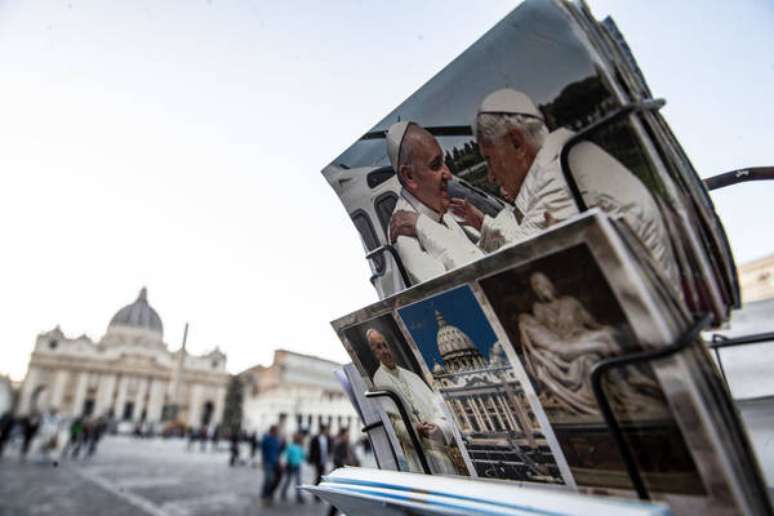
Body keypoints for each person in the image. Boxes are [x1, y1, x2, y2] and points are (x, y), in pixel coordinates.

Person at [391, 89, 678, 285]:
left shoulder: (559, 178)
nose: (490, 176)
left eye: (490, 160)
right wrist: (484, 224)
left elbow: (506, 272)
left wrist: (421, 226)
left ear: (516, 143)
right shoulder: (565, 156)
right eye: (435, 164)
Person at [518, 272, 660, 416]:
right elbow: (548, 339)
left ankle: (633, 375)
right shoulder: (538, 310)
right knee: (601, 345)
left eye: (544, 282)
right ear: (534, 290)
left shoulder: (570, 302)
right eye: (537, 285)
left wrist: (602, 328)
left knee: (607, 334)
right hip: (566, 342)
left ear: (551, 284)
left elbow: (591, 322)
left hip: (579, 336)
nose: (542, 287)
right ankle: (628, 385)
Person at [385, 121, 484, 284]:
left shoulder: (435, 207)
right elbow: (474, 279)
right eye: (436, 165)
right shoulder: (405, 238)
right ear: (409, 176)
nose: (449, 174)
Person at [367, 328, 457, 475]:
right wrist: (416, 429)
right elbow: (394, 423)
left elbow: (439, 408)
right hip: (418, 457)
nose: (384, 351)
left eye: (385, 345)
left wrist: (439, 427)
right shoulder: (378, 380)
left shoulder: (413, 376)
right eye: (378, 347)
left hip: (442, 452)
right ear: (374, 353)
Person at [326, 428, 359, 516]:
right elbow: (336, 460)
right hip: (342, 476)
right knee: (337, 499)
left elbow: (355, 458)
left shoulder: (350, 446)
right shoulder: (338, 445)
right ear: (342, 436)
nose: (347, 437)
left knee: (346, 499)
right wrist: (344, 463)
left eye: (348, 435)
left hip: (350, 475)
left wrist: (357, 464)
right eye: (346, 435)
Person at [279, 432, 306, 503]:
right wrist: (284, 463)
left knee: (298, 481)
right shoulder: (290, 446)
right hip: (290, 466)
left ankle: (299, 496)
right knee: (288, 480)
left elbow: (303, 456)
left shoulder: (300, 447)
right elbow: (285, 455)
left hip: (297, 466)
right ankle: (283, 493)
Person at [260, 425, 281, 505]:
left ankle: (268, 494)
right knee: (268, 479)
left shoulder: (276, 440)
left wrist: (278, 461)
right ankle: (265, 494)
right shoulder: (266, 439)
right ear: (272, 431)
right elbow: (263, 450)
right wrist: (263, 461)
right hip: (267, 462)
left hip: (275, 462)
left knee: (272, 479)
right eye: (276, 431)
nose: (277, 432)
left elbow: (278, 452)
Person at [308, 425, 331, 496]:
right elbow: (312, 449)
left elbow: (328, 448)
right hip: (317, 460)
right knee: (319, 476)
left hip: (324, 460)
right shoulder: (315, 438)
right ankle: (316, 492)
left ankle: (317, 491)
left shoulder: (327, 438)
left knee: (320, 476)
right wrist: (311, 459)